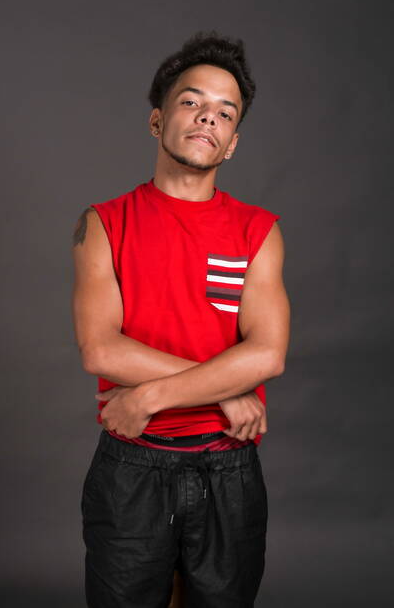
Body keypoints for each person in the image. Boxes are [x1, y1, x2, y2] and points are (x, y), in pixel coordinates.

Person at [72, 30, 290, 608]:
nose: (207, 117)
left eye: (225, 112)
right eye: (191, 101)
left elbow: (268, 354)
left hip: (228, 467)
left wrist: (150, 395)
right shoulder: (103, 222)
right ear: (157, 120)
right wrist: (227, 390)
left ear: (232, 143)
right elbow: (100, 349)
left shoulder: (258, 230)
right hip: (132, 465)